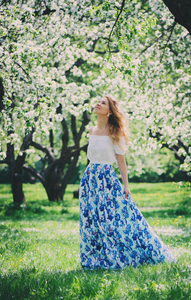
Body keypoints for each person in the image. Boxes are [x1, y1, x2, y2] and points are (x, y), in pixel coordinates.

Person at [79, 95, 176, 270]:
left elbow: (121, 161)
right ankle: (95, 259)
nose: (98, 104)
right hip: (90, 178)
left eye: (103, 103)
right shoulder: (92, 131)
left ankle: (124, 255)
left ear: (110, 111)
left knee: (112, 221)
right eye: (98, 101)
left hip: (106, 178)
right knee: (91, 221)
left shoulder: (115, 131)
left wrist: (126, 186)